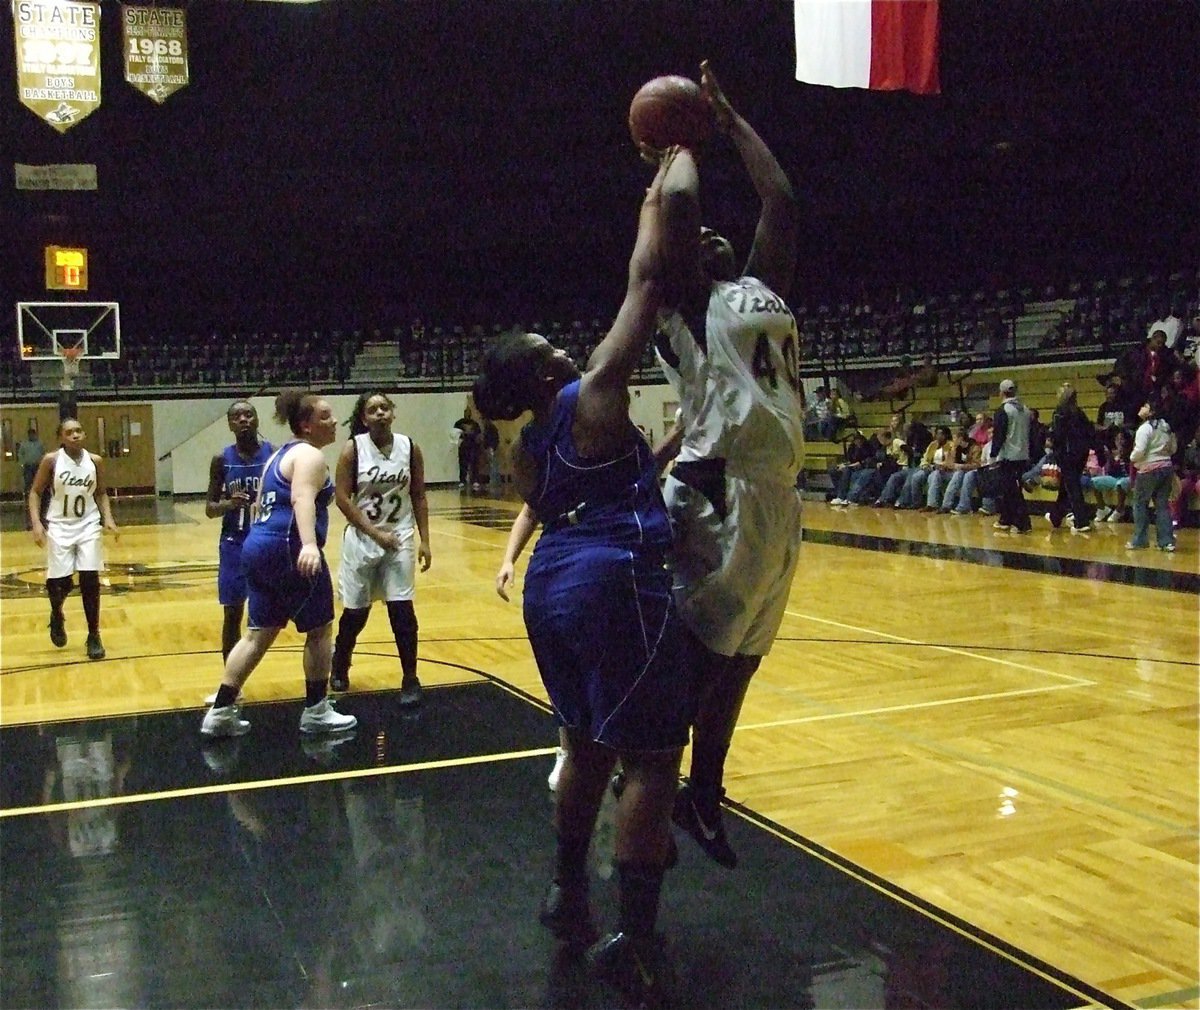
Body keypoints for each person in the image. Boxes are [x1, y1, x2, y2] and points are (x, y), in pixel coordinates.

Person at [473, 150, 689, 1005]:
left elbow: (592, 488)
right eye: (547, 347)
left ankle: (568, 891)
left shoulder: (530, 446)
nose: (563, 345)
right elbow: (644, 283)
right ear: (542, 375)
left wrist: (667, 455)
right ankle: (634, 939)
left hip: (553, 581)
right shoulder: (591, 390)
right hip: (611, 577)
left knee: (586, 745)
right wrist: (659, 189)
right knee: (651, 758)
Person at [652, 62, 803, 871]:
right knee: (703, 660)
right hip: (721, 487)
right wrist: (677, 141)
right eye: (700, 235)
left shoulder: (758, 289)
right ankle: (644, 781)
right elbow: (679, 207)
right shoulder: (680, 298)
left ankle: (703, 796)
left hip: (778, 496)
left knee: (743, 658)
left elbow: (780, 198)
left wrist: (731, 116)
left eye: (720, 233)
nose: (713, 234)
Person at [201, 390, 357, 738]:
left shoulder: (277, 456)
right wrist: (309, 545)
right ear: (307, 424)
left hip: (257, 546)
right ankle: (317, 710)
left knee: (258, 634)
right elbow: (301, 497)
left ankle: (220, 711)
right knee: (319, 629)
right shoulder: (309, 456)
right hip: (288, 548)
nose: (334, 421)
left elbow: (258, 505)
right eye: (326, 416)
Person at [330, 391, 431, 705]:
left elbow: (418, 494)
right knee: (356, 612)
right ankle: (340, 661)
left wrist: (425, 539)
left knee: (402, 608)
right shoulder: (353, 450)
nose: (380, 413)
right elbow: (343, 499)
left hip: (398, 536)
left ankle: (410, 677)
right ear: (364, 418)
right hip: (362, 538)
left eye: (384, 408)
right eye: (372, 409)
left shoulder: (409, 446)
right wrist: (374, 533)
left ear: (393, 413)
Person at [28, 417, 119, 660]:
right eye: (69, 432)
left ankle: (94, 635)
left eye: (79, 430)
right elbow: (35, 493)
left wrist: (107, 518)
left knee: (90, 578)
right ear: (61, 437)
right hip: (59, 524)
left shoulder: (95, 461)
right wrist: (37, 524)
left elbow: (101, 493)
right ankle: (56, 615)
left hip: (88, 523)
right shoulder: (52, 460)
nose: (76, 435)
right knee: (59, 583)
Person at [495, 503, 567, 791]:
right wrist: (508, 560)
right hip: (557, 563)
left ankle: (618, 751)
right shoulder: (555, 464)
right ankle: (567, 749)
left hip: (610, 562)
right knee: (563, 671)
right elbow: (530, 511)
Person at [205, 400, 275, 664]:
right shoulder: (222, 460)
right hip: (234, 542)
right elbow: (210, 509)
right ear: (230, 424)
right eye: (237, 416)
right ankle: (230, 682)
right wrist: (229, 504)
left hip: (268, 540)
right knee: (233, 613)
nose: (244, 419)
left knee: (283, 608)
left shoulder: (273, 453)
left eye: (249, 414)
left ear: (257, 420)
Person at [1126, 399, 1177, 552]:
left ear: (1151, 411)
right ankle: (1166, 541)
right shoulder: (1166, 426)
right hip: (1166, 468)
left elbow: (1140, 450)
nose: (1141, 408)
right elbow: (1173, 448)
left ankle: (1140, 540)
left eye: (1145, 406)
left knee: (1140, 503)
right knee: (1162, 505)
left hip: (1148, 470)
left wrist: (1132, 458)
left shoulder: (1144, 428)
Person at [1046, 383, 1097, 532]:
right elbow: (1090, 432)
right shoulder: (1080, 413)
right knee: (1067, 485)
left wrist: (1053, 445)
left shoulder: (1059, 413)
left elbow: (1057, 435)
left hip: (1067, 454)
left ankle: (1081, 521)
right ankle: (1056, 516)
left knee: (1072, 486)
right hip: (1081, 453)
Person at [990, 378, 1032, 533]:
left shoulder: (1004, 410)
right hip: (1023, 455)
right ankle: (1005, 519)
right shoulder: (1026, 409)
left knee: (1011, 490)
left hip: (1008, 456)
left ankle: (1023, 523)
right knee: (1011, 489)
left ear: (1001, 392)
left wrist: (993, 455)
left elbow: (999, 435)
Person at [16, 426, 45, 528]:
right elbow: (20, 454)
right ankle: (28, 494)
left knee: (39, 481)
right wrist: (22, 464)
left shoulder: (39, 443)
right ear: (28, 435)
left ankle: (39, 493)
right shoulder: (24, 444)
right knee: (28, 483)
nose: (32, 436)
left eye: (33, 434)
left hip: (37, 465)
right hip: (28, 466)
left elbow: (42, 454)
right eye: (31, 434)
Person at [453, 407, 482, 490]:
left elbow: (478, 435)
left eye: (469, 412)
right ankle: (462, 480)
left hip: (473, 446)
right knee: (462, 464)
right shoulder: (459, 423)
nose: (468, 414)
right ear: (464, 413)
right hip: (464, 445)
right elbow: (453, 434)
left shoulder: (474, 424)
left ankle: (475, 480)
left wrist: (477, 440)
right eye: (466, 412)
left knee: (474, 463)